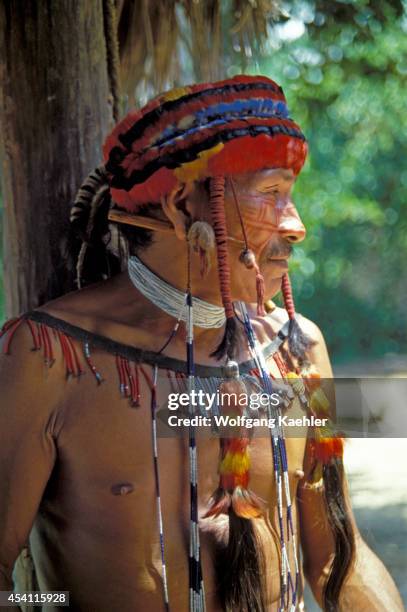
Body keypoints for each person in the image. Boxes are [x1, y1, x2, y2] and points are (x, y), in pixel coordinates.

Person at [0, 75, 402, 612]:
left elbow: (337, 561)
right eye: (271, 194)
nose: (297, 225)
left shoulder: (299, 351)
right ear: (182, 204)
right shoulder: (47, 358)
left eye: (291, 195)